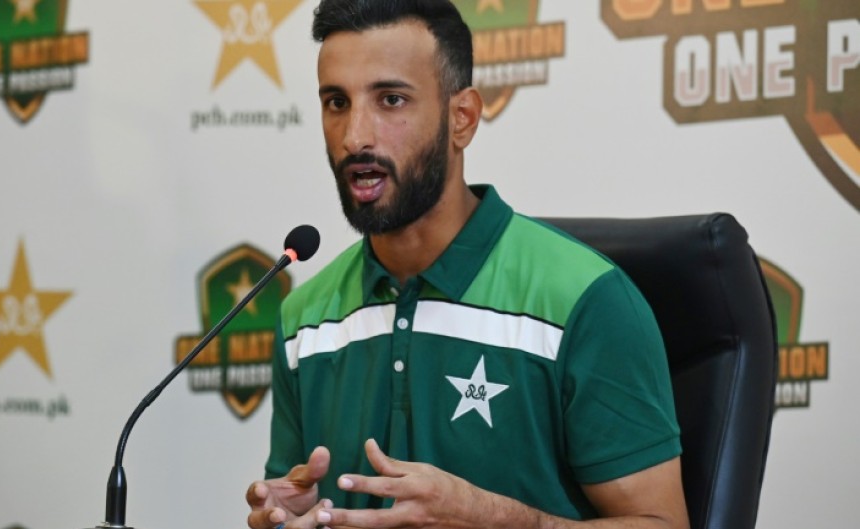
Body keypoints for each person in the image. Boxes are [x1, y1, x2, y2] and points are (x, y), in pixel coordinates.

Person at [246, 1, 690, 528]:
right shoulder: (304, 317)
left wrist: (487, 518)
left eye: (391, 100)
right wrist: (285, 517)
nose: (354, 136)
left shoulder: (586, 299)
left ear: (463, 119)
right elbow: (292, 497)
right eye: (336, 102)